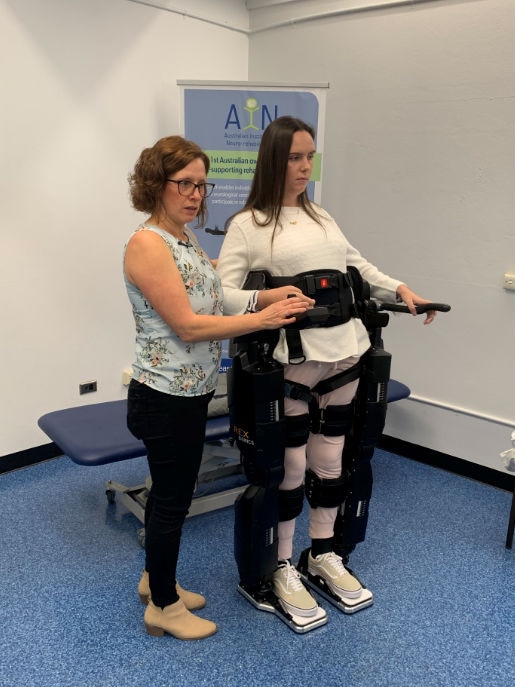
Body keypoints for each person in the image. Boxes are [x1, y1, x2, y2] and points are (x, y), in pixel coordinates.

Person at [216, 116, 436, 620]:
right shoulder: (248, 224)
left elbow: (357, 267)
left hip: (346, 357)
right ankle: (280, 565)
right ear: (273, 158)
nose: (305, 166)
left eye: (310, 156)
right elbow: (223, 294)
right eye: (295, 157)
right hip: (293, 364)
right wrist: (266, 296)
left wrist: (401, 290)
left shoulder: (323, 216)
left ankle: (323, 554)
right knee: (291, 469)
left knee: (332, 464)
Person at [124, 135, 312, 640]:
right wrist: (264, 319)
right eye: (184, 183)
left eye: (201, 185)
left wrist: (267, 295)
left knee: (171, 494)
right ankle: (163, 606)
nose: (194, 194)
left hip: (189, 392)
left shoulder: (185, 240)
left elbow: (217, 295)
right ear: (155, 184)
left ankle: (153, 579)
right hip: (164, 398)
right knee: (171, 501)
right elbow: (188, 324)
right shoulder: (148, 244)